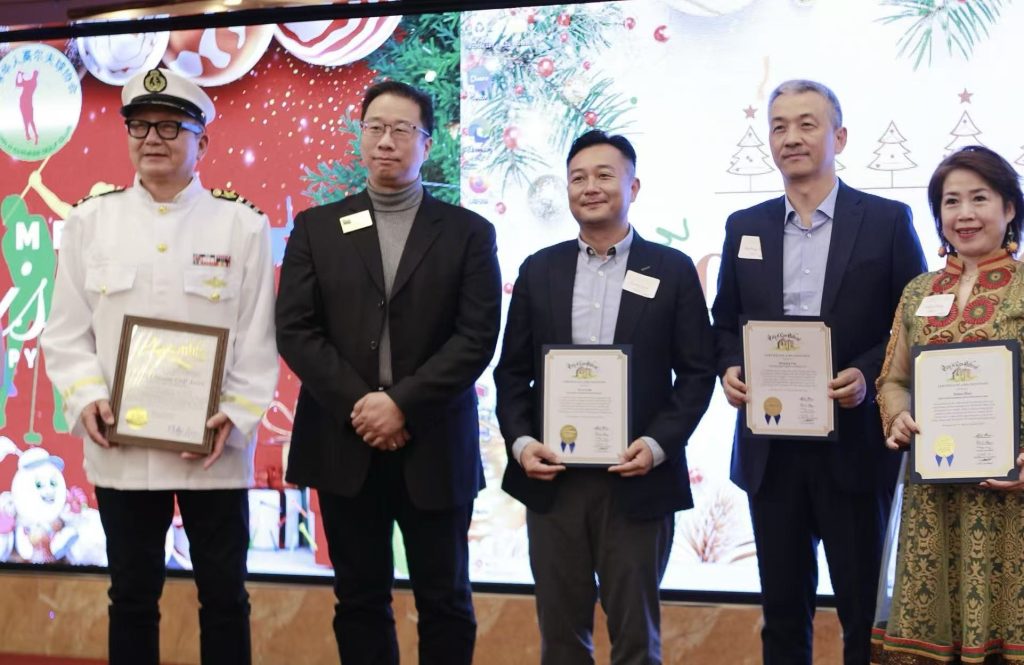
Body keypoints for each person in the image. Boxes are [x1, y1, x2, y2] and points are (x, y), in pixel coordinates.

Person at [41, 67, 278, 665]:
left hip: (212, 449)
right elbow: (66, 331)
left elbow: (258, 335)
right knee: (131, 597)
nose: (153, 138)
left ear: (203, 141)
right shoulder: (89, 223)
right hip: (122, 447)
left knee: (224, 597)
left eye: (171, 127)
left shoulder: (242, 226)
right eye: (140, 126)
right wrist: (86, 396)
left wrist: (235, 415)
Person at [276, 80, 501, 665]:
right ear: (361, 137)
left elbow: (476, 337)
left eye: (402, 130)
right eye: (374, 127)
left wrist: (401, 404)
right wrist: (364, 406)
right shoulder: (317, 228)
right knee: (358, 599)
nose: (386, 141)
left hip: (434, 442)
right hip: (342, 440)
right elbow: (296, 329)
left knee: (445, 600)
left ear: (427, 143)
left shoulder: (468, 233)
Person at [710, 79, 926, 664]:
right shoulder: (744, 225)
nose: (791, 137)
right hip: (770, 449)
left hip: (854, 447)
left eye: (807, 124)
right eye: (779, 126)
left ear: (840, 136)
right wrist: (730, 367)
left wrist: (866, 376)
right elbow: (724, 323)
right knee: (782, 615)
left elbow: (913, 324)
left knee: (863, 615)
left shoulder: (885, 220)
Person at [495, 130, 716, 665]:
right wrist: (522, 444)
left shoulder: (671, 270)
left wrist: (657, 446)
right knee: (561, 639)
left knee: (636, 639)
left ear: (632, 187)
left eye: (603, 175)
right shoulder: (539, 269)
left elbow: (697, 373)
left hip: (637, 481)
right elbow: (512, 375)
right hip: (554, 481)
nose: (589, 187)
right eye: (578, 178)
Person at [872, 145, 1024, 664]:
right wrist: (897, 416)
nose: (964, 214)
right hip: (932, 501)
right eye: (951, 201)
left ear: (1009, 208)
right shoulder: (918, 292)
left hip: (1014, 498)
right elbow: (893, 379)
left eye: (979, 198)